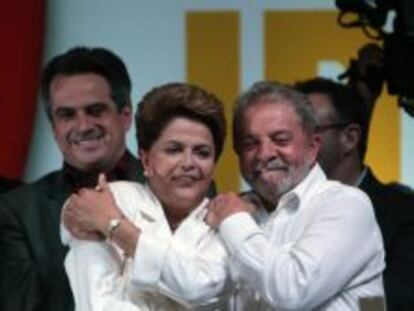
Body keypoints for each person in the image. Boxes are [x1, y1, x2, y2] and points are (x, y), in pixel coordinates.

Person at [206, 81, 385, 310]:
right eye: (250, 143)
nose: (264, 154)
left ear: (313, 146)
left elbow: (292, 291)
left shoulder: (347, 205)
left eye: (280, 140)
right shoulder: (231, 209)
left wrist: (233, 221)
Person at [62, 82, 231, 310]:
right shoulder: (115, 199)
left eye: (202, 153)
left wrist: (117, 228)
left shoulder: (228, 223)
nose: (189, 163)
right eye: (174, 150)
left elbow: (202, 287)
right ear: (146, 160)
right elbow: (98, 303)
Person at [0, 47, 144, 311]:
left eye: (95, 110)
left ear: (125, 116)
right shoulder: (16, 211)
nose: (83, 125)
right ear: (53, 127)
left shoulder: (173, 190)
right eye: (67, 115)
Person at [296, 77, 414, 311]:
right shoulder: (280, 209)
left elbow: (394, 301)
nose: (292, 146)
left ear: (349, 138)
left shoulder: (403, 213)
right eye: (287, 135)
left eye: (309, 131)